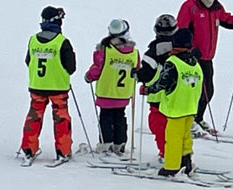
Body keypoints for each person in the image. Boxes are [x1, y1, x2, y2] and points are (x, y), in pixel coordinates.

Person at [177, 0, 233, 136]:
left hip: (207, 57)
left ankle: (197, 118)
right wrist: (186, 50)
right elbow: (181, 31)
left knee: (208, 90)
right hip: (191, 58)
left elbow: (227, 19)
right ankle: (190, 121)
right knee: (195, 91)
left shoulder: (215, 7)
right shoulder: (190, 6)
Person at [20, 6, 76, 163]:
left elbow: (28, 61)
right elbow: (71, 67)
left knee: (33, 117)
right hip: (58, 87)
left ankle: (28, 149)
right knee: (61, 119)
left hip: (37, 86)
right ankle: (63, 151)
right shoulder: (62, 42)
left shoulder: (33, 40)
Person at [146, 29, 203, 177]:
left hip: (176, 108)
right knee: (185, 137)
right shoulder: (194, 63)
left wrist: (149, 89)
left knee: (172, 138)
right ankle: (186, 162)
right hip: (190, 108)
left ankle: (171, 167)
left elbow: (163, 82)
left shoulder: (173, 62)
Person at [85, 19, 140, 156]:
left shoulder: (104, 50)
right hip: (123, 92)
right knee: (120, 116)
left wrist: (89, 76)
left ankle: (105, 143)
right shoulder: (133, 52)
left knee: (106, 117)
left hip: (106, 91)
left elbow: (98, 68)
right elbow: (138, 69)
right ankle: (119, 143)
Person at [137, 14, 177, 166]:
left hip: (157, 96)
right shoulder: (182, 46)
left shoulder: (152, 52)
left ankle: (166, 154)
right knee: (176, 127)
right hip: (177, 96)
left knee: (159, 126)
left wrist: (136, 75)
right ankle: (180, 153)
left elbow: (146, 73)